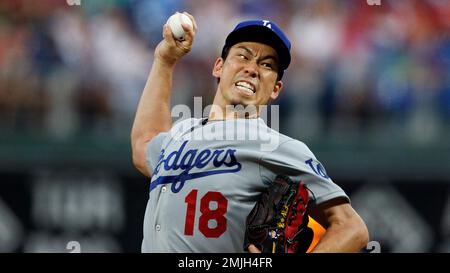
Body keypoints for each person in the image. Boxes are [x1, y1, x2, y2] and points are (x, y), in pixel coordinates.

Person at [131, 12, 369, 253]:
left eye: (266, 65)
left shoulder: (276, 147)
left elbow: (351, 227)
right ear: (218, 67)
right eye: (243, 56)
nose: (252, 69)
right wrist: (164, 60)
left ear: (276, 89)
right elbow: (144, 146)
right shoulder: (181, 130)